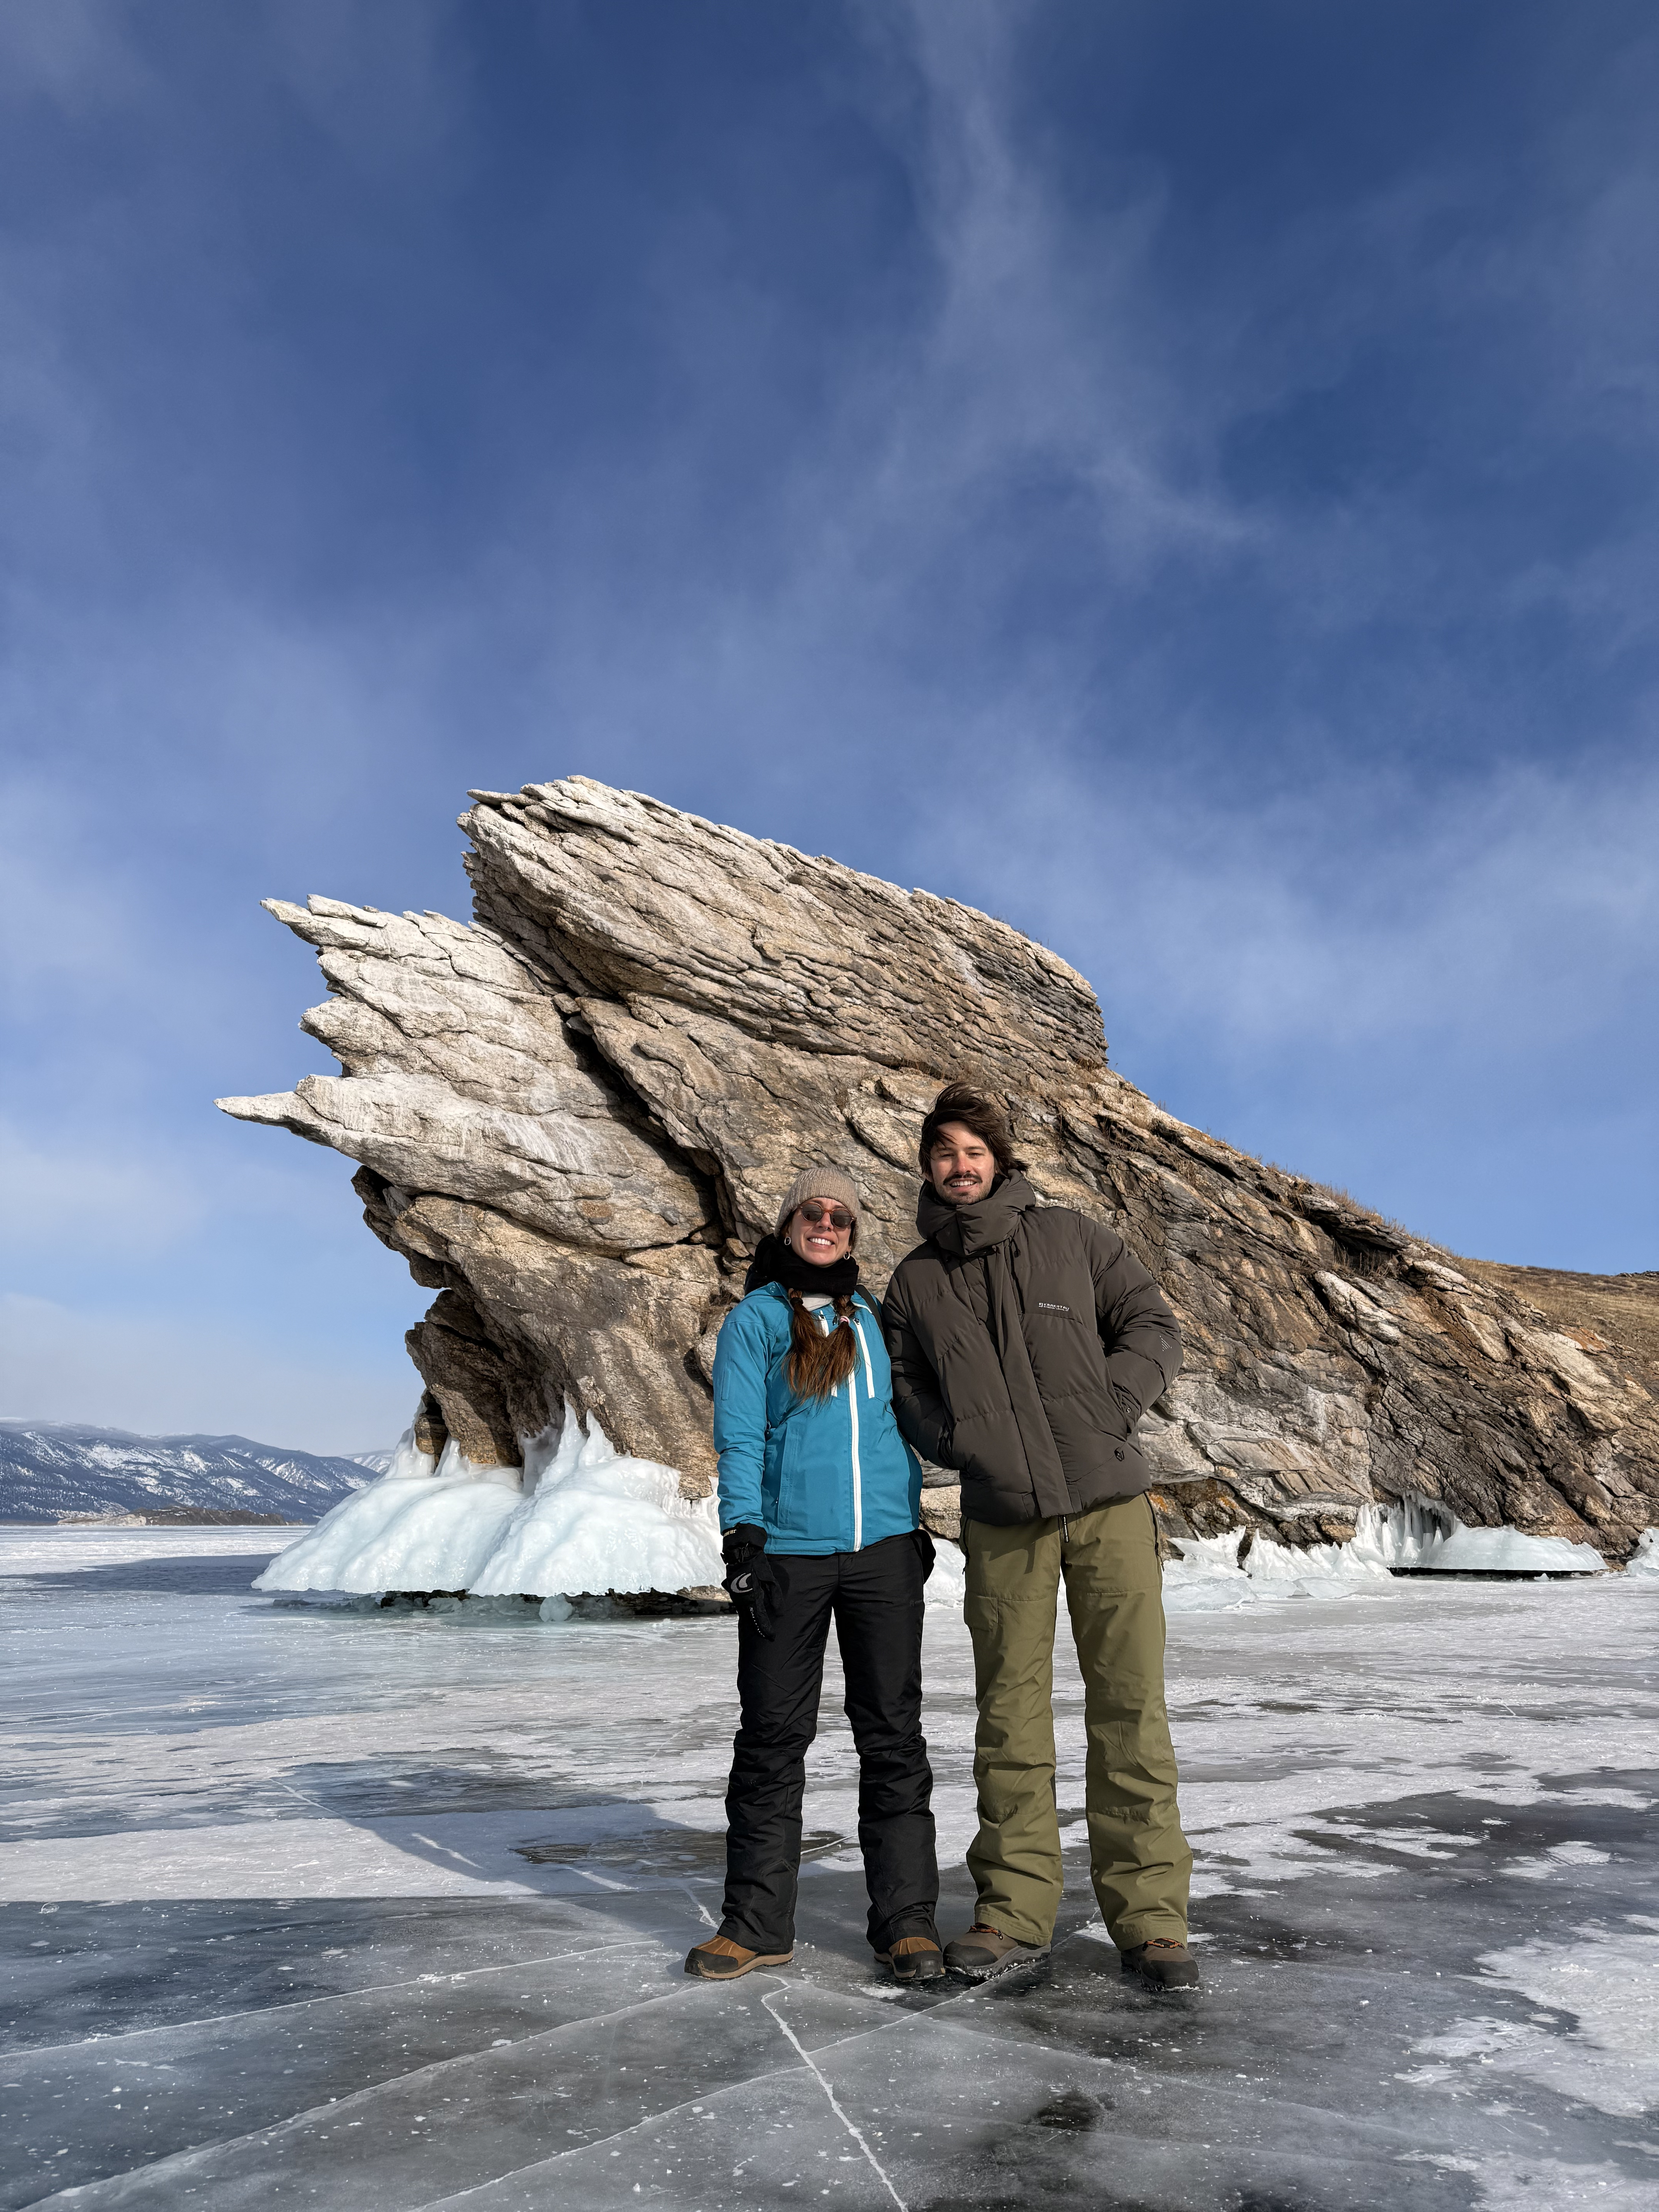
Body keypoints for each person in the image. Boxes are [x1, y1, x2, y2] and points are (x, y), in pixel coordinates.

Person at [882, 1084, 1198, 1992]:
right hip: (1002, 1518)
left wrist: (1112, 1404)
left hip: (1107, 1503)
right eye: (943, 1151)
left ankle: (1151, 1923)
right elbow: (908, 1387)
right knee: (1009, 1716)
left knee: (1130, 1709)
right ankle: (1013, 1911)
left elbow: (1153, 1324)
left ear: (1000, 1158)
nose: (960, 1164)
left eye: (974, 1149)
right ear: (928, 1166)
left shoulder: (1075, 1239)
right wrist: (953, 1441)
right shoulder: (916, 1281)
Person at [685, 1166, 943, 1985]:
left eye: (841, 1215)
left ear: (854, 1232)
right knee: (771, 1739)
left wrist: (915, 1524)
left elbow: (910, 1420)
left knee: (893, 1739)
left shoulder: (876, 1319)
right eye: (812, 1212)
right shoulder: (756, 1321)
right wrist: (743, 1540)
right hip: (789, 1556)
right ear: (790, 1223)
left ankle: (905, 1924)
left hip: (884, 1554)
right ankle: (756, 1923)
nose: (826, 1223)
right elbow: (741, 1438)